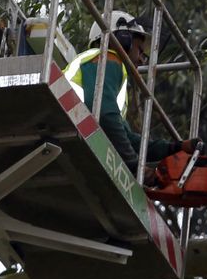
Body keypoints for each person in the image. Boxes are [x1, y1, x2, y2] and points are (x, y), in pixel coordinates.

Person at [67, 10, 195, 173]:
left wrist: (173, 148)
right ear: (123, 39)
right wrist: (134, 165)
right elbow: (106, 117)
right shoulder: (106, 58)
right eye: (140, 50)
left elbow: (127, 137)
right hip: (71, 122)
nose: (142, 59)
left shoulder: (107, 74)